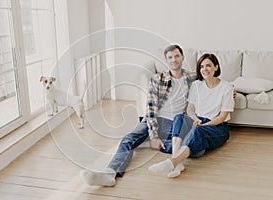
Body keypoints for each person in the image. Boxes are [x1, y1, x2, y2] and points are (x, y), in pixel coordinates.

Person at [80, 44, 197, 186]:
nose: (174, 60)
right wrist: (153, 135)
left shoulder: (192, 77)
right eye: (170, 57)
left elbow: (213, 81)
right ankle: (109, 173)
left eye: (177, 56)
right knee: (128, 139)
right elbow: (151, 107)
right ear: (166, 60)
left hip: (175, 124)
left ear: (183, 57)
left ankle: (149, 143)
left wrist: (231, 91)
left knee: (194, 148)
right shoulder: (158, 79)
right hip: (156, 120)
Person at [148, 53, 234, 177]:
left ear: (216, 67)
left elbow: (222, 117)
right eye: (202, 66)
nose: (204, 69)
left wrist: (203, 125)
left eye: (208, 66)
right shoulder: (196, 85)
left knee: (196, 133)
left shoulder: (227, 87)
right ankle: (177, 162)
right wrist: (195, 119)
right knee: (179, 117)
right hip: (198, 120)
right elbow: (190, 109)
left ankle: (172, 162)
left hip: (217, 126)